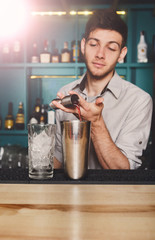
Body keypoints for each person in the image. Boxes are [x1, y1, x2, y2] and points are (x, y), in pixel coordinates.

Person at [50, 9, 153, 170]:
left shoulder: (139, 100)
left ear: (121, 54)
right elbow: (59, 159)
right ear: (83, 46)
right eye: (94, 44)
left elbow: (123, 171)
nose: (100, 54)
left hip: (114, 195)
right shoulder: (67, 92)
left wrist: (96, 122)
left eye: (111, 48)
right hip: (69, 194)